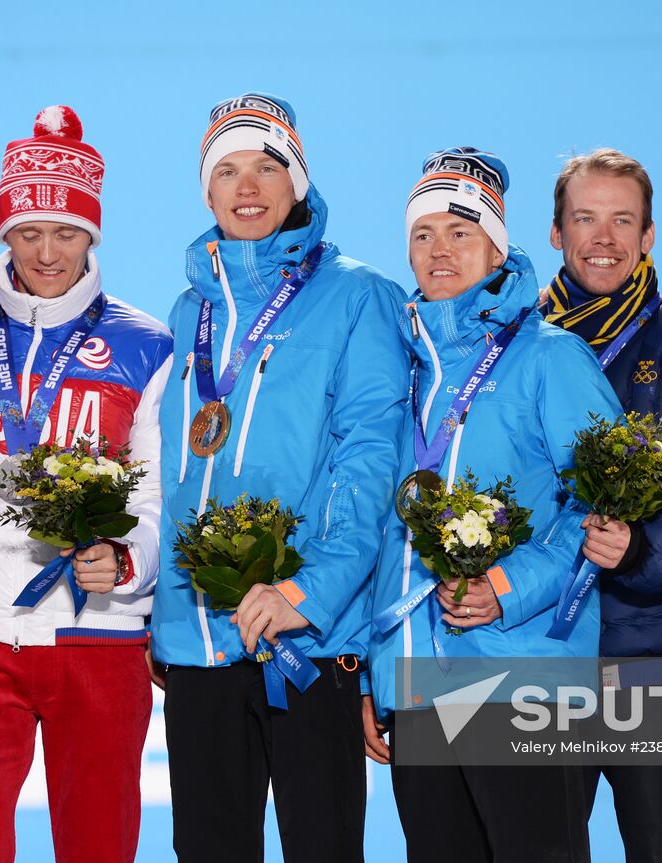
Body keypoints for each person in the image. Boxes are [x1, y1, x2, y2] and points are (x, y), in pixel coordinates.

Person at [150, 92, 408, 863]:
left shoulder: (360, 296)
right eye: (227, 170)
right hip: (197, 643)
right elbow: (171, 472)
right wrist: (157, 620)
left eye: (268, 166)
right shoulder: (187, 309)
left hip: (308, 637)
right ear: (207, 191)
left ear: (298, 180)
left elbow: (371, 461)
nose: (248, 186)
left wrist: (309, 592)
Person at [0, 106, 172, 863]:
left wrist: (127, 561)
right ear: (4, 235)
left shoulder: (144, 342)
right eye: (27, 232)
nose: (46, 251)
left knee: (99, 845)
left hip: (96, 636)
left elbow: (159, 495)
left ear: (92, 234)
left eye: (66, 232)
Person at [363, 147, 623, 863]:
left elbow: (605, 508)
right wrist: (378, 671)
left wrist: (505, 587)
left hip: (521, 673)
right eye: (423, 234)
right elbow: (384, 534)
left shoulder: (550, 357)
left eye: (460, 232)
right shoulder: (397, 369)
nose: (439, 250)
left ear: (497, 248)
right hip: (420, 685)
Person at [541, 147, 662, 862]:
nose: (604, 238)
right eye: (585, 218)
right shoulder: (514, 342)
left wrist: (643, 551)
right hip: (540, 649)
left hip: (650, 649)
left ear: (649, 234)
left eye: (623, 220)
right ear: (556, 232)